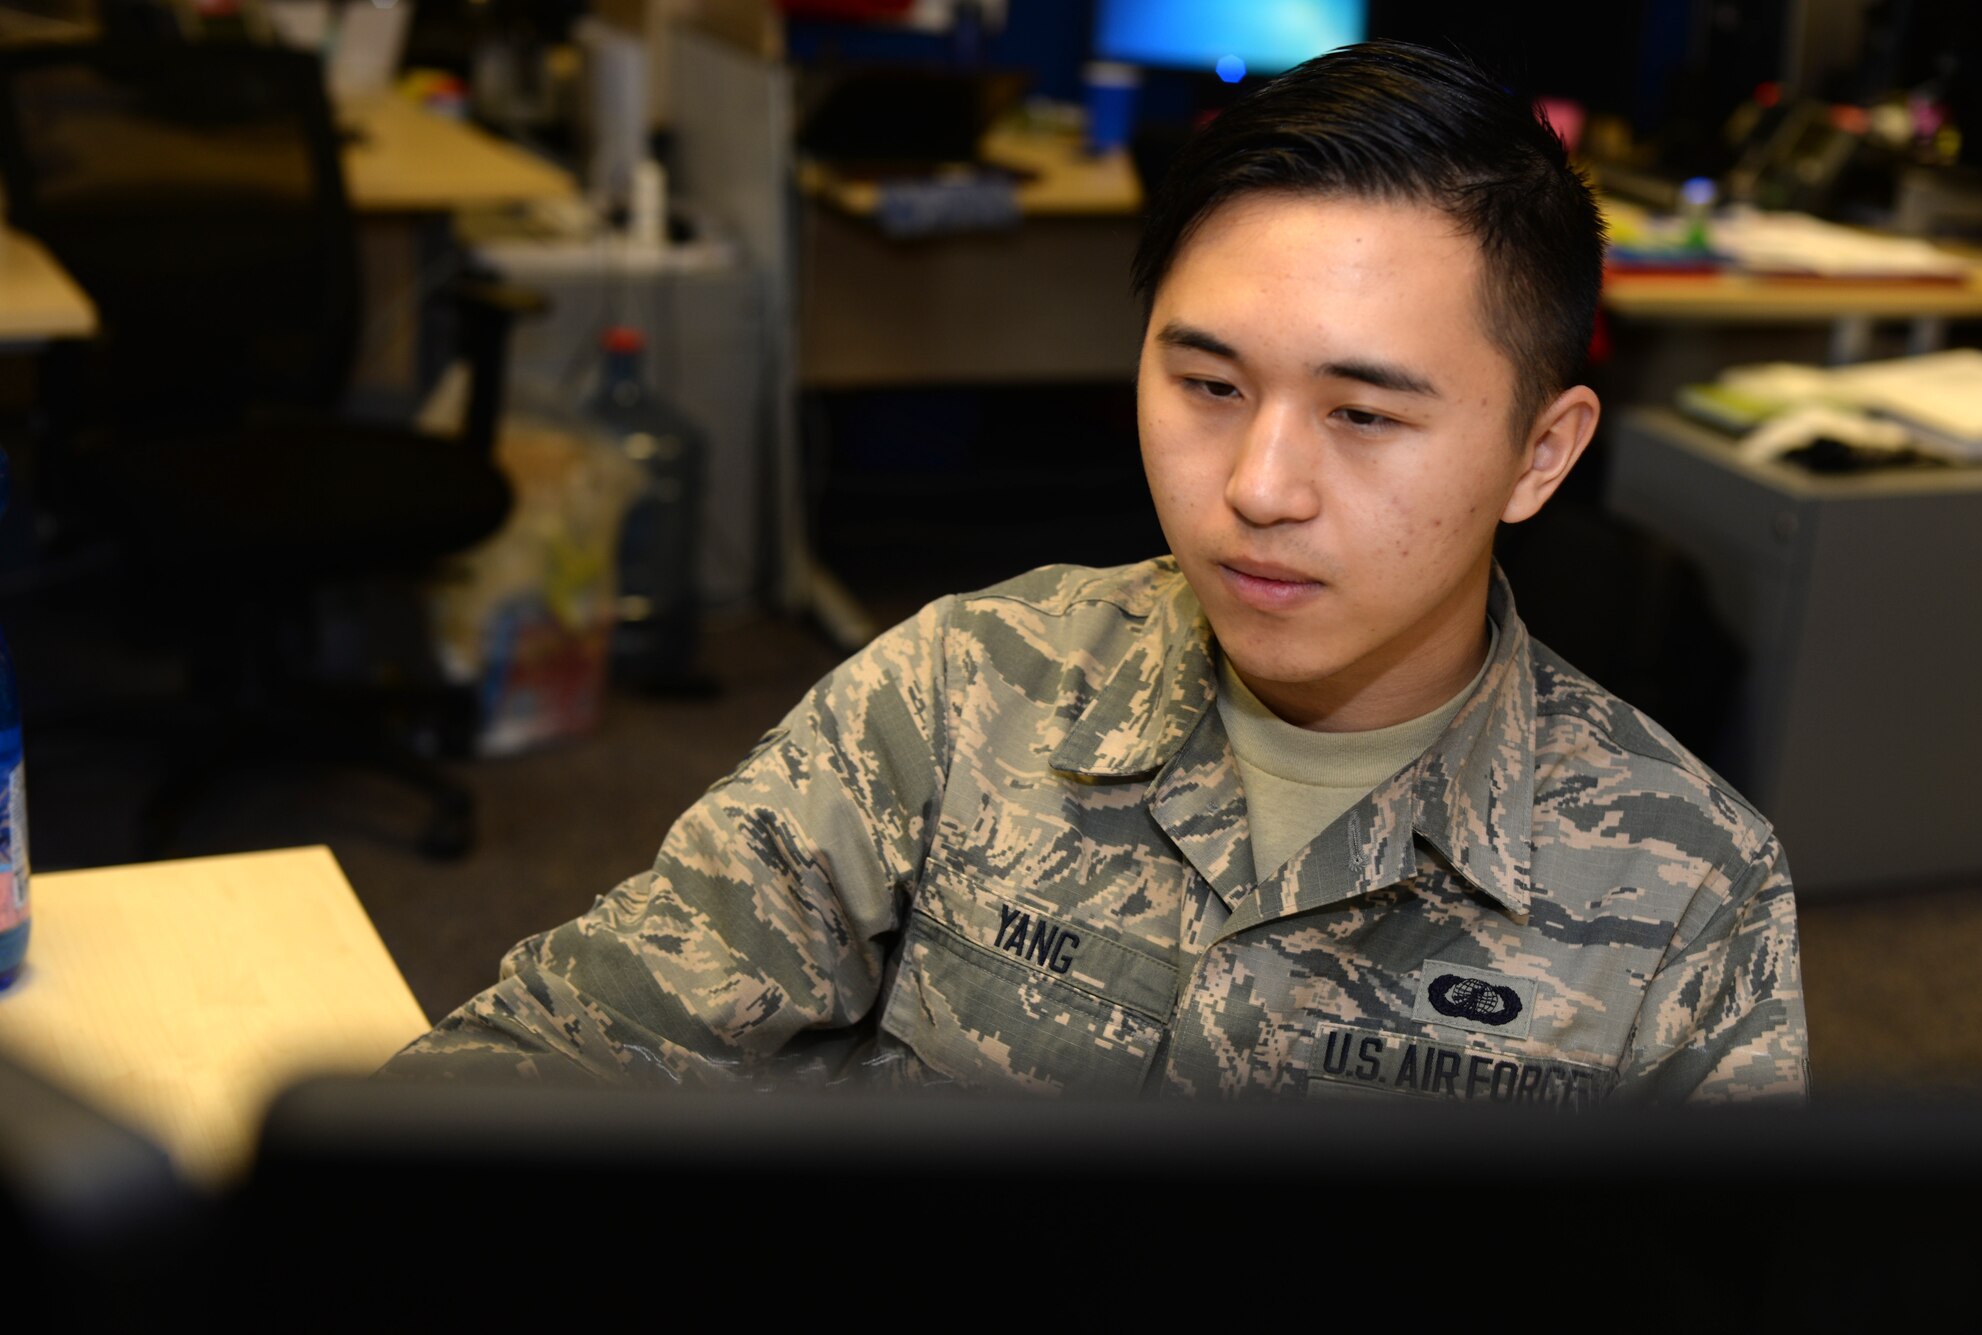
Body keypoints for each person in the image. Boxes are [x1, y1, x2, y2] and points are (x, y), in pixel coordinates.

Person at [382, 41, 1808, 1104]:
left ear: (1540, 456)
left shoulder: (1691, 893)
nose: (1258, 489)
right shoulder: (962, 694)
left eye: (1365, 417)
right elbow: (569, 1046)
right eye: (1207, 385)